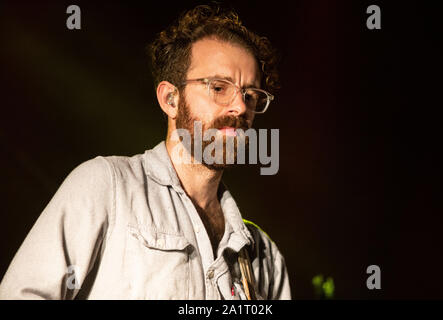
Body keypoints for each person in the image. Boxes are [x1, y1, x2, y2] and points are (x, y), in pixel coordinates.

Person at [0, 4, 291, 300]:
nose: (241, 107)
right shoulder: (107, 187)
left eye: (250, 95)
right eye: (218, 87)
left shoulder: (264, 257)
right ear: (170, 99)